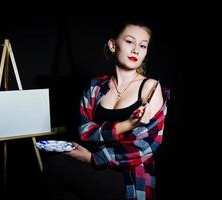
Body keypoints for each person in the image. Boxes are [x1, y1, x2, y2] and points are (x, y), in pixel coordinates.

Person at [43, 20, 170, 200]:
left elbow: (145, 147)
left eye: (143, 45)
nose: (136, 50)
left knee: (58, 168)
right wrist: (126, 125)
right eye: (129, 41)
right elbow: (85, 131)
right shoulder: (95, 87)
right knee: (53, 164)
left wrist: (92, 157)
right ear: (112, 45)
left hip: (130, 176)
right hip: (94, 166)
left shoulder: (150, 88)